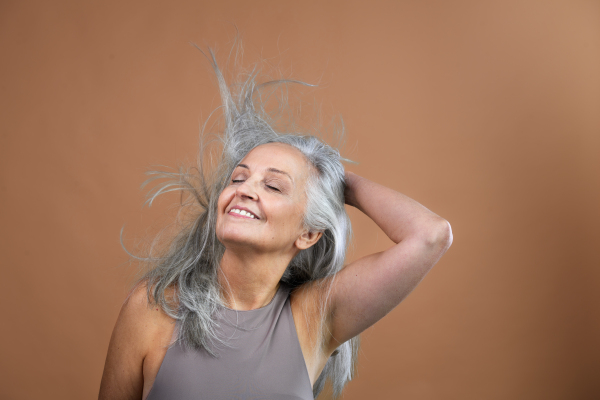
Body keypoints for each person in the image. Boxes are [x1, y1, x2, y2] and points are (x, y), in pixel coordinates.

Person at [98, 46, 453, 400]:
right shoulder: (154, 307)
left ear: (309, 232)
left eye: (273, 185)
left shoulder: (314, 317)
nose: (244, 190)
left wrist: (334, 180)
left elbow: (430, 235)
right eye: (238, 178)